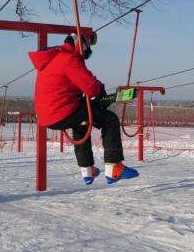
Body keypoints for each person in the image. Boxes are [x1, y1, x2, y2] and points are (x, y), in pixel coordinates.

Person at [29, 34, 137, 185]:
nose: (88, 51)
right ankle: (114, 167)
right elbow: (91, 88)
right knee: (109, 119)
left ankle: (87, 170)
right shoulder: (69, 59)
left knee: (82, 122)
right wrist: (99, 87)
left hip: (49, 114)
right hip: (62, 110)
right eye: (88, 47)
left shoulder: (55, 58)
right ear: (81, 45)